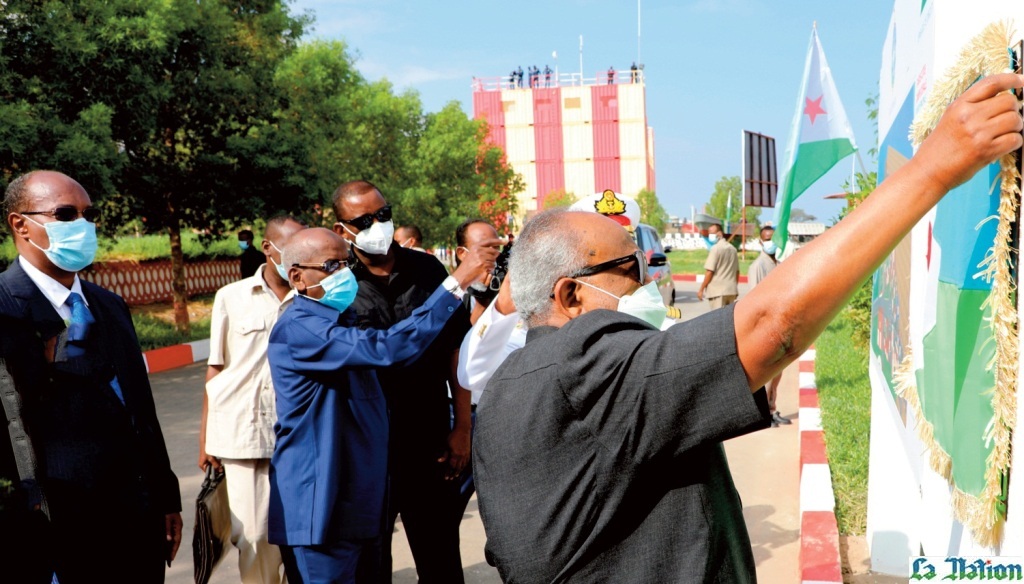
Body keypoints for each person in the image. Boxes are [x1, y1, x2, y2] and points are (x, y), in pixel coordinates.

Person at [472, 72, 1024, 582]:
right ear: (569, 295)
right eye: (629, 268)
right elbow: (774, 324)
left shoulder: (506, 392)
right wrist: (932, 169)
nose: (647, 279)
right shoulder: (584, 369)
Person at [267, 227, 495, 583]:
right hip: (322, 505)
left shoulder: (341, 321)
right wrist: (455, 285)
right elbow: (388, 347)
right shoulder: (301, 328)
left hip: (360, 499)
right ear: (296, 276)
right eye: (331, 266)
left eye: (345, 264)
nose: (343, 274)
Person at [0, 170, 182, 583]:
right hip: (54, 529)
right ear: (20, 224)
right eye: (65, 214)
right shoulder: (5, 310)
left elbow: (140, 409)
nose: (81, 225)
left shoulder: (109, 305)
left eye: (87, 214)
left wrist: (165, 496)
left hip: (136, 521)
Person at [333, 181, 495, 583]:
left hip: (430, 441)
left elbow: (455, 351)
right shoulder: (338, 285)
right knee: (371, 563)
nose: (378, 226)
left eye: (383, 215)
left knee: (440, 557)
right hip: (368, 449)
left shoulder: (427, 271)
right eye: (364, 220)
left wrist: (463, 427)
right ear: (342, 230)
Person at [198, 214, 306, 584]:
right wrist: (205, 439)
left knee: (301, 534)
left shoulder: (314, 297)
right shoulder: (231, 297)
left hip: (300, 434)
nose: (295, 258)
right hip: (243, 435)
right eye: (289, 250)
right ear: (267, 248)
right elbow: (216, 369)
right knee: (255, 535)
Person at [747, 225, 790, 427]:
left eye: (773, 238)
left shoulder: (780, 264)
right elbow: (754, 301)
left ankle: (772, 409)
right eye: (767, 239)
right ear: (760, 241)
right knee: (765, 375)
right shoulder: (758, 267)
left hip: (781, 325)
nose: (770, 242)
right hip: (766, 328)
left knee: (777, 374)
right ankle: (763, 414)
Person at [697, 222, 739, 308]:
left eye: (711, 233)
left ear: (719, 233)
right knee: (729, 320)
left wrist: (701, 289)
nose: (709, 235)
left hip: (717, 292)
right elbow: (737, 272)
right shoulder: (733, 249)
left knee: (718, 320)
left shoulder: (715, 249)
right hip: (731, 291)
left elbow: (710, 271)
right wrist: (734, 287)